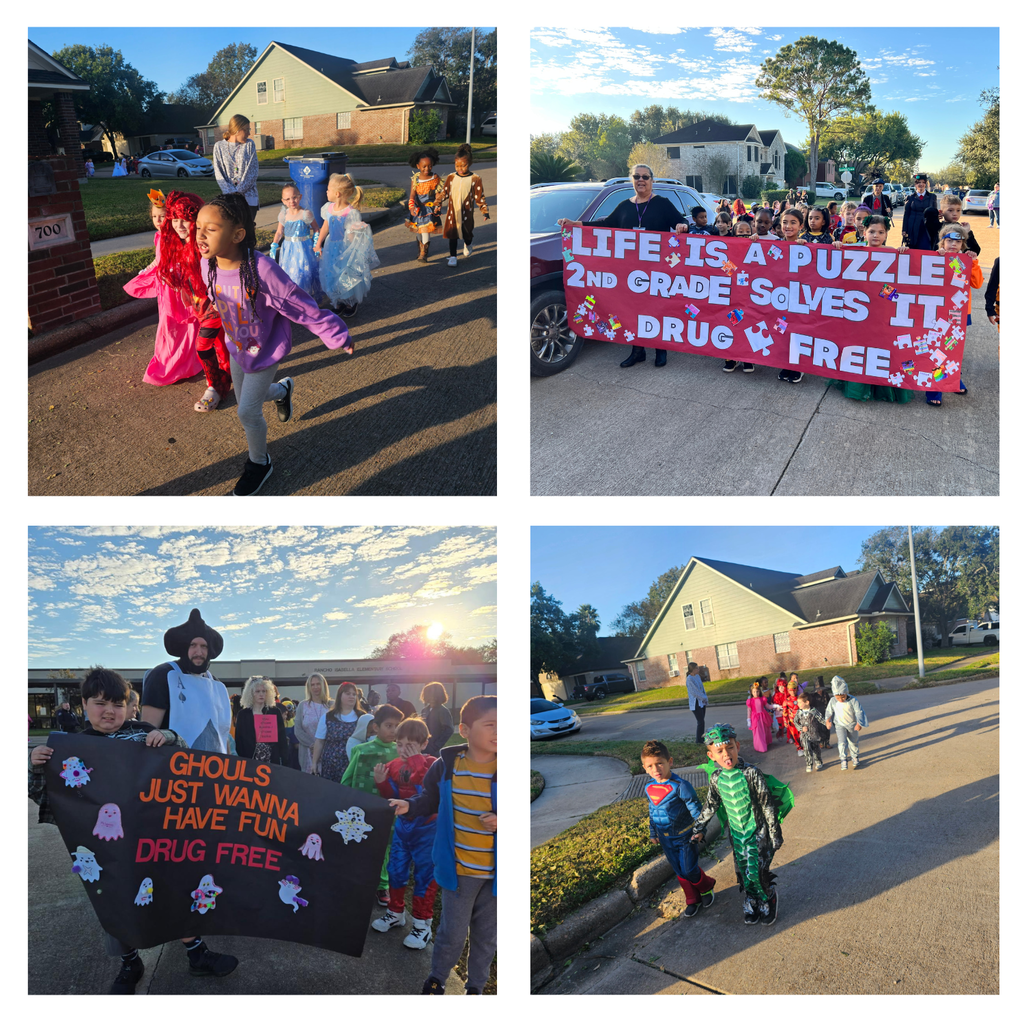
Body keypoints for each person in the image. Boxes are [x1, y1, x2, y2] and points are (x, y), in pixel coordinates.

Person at [30, 667, 237, 993]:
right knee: (115, 900)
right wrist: (40, 766)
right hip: (106, 847)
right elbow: (50, 800)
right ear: (84, 705)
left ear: (130, 707)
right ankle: (130, 962)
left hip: (153, 837)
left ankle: (197, 955)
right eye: (100, 703)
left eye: (117, 704)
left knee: (173, 889)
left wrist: (169, 737)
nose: (109, 711)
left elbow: (186, 764)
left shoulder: (142, 732)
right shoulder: (73, 747)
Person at [197, 193, 353, 496]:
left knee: (247, 413)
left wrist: (336, 334)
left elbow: (300, 306)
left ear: (237, 234)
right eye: (198, 227)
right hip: (237, 348)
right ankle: (283, 390)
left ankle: (260, 462)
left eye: (211, 229)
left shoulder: (262, 270)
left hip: (265, 350)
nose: (200, 235)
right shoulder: (209, 265)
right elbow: (216, 293)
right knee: (247, 402)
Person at [389, 695, 496, 996]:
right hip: (460, 870)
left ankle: (475, 987)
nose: (499, 731)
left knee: (487, 936)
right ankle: (436, 979)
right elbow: (428, 800)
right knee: (452, 932)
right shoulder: (447, 763)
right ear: (464, 729)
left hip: (498, 874)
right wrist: (407, 805)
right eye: (490, 725)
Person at [556, 163, 685, 368]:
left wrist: (682, 226)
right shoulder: (625, 206)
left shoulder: (663, 203)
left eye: (645, 176)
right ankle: (637, 351)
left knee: (657, 309)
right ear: (631, 180)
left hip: (656, 270)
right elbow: (605, 225)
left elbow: (682, 224)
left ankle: (661, 349)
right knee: (632, 310)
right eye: (636, 176)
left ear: (652, 180)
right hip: (630, 272)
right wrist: (576, 224)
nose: (640, 180)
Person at [690, 723, 787, 926]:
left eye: (730, 748)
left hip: (757, 833)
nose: (726, 754)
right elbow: (710, 805)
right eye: (720, 751)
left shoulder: (751, 773)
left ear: (738, 747)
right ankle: (752, 899)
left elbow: (767, 803)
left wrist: (774, 832)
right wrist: (698, 828)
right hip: (737, 835)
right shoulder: (716, 779)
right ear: (711, 756)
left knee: (757, 870)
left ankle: (768, 897)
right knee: (743, 871)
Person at [151, 190, 232, 412]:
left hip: (216, 304)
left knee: (203, 345)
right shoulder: (177, 245)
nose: (179, 225)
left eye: (184, 219)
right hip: (199, 306)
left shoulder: (205, 244)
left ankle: (214, 386)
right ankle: (227, 378)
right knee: (220, 344)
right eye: (174, 220)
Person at [123, 189, 207, 389]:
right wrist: (147, 270)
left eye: (162, 216)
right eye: (154, 217)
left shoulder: (182, 238)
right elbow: (159, 260)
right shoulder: (161, 238)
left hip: (182, 289)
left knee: (189, 324)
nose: (159, 221)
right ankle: (167, 363)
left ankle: (189, 362)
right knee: (168, 325)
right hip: (167, 290)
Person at [371, 716, 439, 947]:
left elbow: (430, 790)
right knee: (396, 870)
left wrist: (417, 760)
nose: (403, 750)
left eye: (410, 745)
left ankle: (422, 925)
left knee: (424, 877)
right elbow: (392, 796)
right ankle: (395, 913)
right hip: (403, 828)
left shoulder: (433, 764)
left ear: (423, 744)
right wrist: (381, 781)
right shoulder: (394, 765)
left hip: (427, 829)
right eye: (399, 744)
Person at [832, 215, 914, 403]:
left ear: (886, 234)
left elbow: (900, 283)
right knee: (859, 346)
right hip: (860, 310)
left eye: (881, 232)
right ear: (864, 232)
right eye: (872, 232)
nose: (876, 236)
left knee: (882, 346)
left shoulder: (893, 252)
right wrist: (837, 248)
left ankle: (882, 387)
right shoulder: (855, 251)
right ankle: (857, 387)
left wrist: (904, 251)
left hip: (883, 310)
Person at [641, 740, 716, 917]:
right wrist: (653, 832)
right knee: (679, 870)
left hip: (685, 836)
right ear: (644, 768)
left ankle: (706, 888)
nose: (656, 769)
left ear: (670, 762)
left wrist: (700, 829)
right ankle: (692, 899)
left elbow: (696, 809)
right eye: (650, 766)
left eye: (660, 763)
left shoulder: (681, 786)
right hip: (665, 838)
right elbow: (653, 811)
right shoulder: (649, 787)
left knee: (689, 869)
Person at [141, 608, 231, 753]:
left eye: (204, 646)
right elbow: (147, 730)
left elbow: (222, 735)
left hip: (212, 768)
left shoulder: (217, 685)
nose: (199, 652)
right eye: (193, 645)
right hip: (170, 766)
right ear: (184, 647)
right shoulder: (163, 675)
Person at [342, 704, 403, 906]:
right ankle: (357, 882)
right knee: (361, 844)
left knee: (386, 846)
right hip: (363, 808)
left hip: (391, 809)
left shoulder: (401, 753)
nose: (393, 731)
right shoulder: (361, 750)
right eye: (388, 725)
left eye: (397, 726)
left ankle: (382, 885)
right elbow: (347, 778)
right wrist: (346, 800)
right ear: (375, 727)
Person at [925, 223, 980, 406]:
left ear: (963, 244)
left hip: (960, 312)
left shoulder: (966, 261)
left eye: (958, 241)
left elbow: (977, 283)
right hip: (938, 312)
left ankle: (954, 380)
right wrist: (936, 259)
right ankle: (935, 387)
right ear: (942, 242)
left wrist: (974, 263)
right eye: (949, 240)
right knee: (936, 349)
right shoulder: (934, 258)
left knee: (954, 349)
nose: (953, 245)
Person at [315, 173, 379, 317]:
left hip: (345, 249)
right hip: (331, 247)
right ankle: (338, 301)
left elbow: (351, 236)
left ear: (337, 194)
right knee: (332, 273)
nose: (326, 192)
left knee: (344, 273)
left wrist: (354, 243)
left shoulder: (351, 213)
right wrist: (319, 243)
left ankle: (350, 301)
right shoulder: (329, 208)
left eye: (328, 189)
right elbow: (325, 226)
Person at [441, 143, 490, 267]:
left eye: (463, 165)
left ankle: (468, 244)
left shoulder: (475, 178)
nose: (460, 168)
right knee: (453, 234)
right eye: (457, 165)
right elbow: (444, 193)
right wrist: (437, 204)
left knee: (467, 233)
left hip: (467, 213)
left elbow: (479, 196)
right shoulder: (451, 177)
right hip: (453, 212)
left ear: (470, 163)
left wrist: (484, 210)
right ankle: (453, 256)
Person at [269, 184, 321, 300]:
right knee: (290, 274)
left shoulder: (306, 213)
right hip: (288, 250)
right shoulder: (283, 214)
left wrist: (316, 243)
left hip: (304, 249)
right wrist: (274, 245)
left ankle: (303, 298)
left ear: (300, 196)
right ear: (283, 201)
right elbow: (279, 232)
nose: (292, 201)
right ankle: (293, 299)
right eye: (287, 199)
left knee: (302, 273)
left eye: (294, 197)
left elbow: (316, 228)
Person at [310, 681, 369, 781]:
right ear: (339, 696)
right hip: (330, 766)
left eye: (354, 694)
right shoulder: (328, 717)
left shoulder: (362, 717)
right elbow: (319, 741)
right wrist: (314, 763)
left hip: (354, 765)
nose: (352, 697)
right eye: (348, 693)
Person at [233, 676, 288, 765]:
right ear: (251, 693)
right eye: (257, 691)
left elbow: (282, 739)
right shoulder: (243, 714)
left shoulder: (275, 712)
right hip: (250, 761)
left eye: (264, 691)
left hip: (272, 761)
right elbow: (239, 741)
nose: (261, 694)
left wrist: (285, 761)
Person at [212, 114, 259, 214]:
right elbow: (219, 172)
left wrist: (238, 192)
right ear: (237, 130)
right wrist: (231, 194)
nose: (249, 133)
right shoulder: (219, 147)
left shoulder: (249, 145)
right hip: (230, 200)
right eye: (246, 129)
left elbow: (252, 172)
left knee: (248, 229)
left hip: (249, 200)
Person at [405, 147, 444, 261]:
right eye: (424, 166)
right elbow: (412, 194)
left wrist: (438, 203)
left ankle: (424, 253)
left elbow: (438, 194)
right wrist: (411, 206)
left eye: (430, 166)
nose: (427, 168)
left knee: (425, 230)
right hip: (417, 209)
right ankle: (420, 249)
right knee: (418, 230)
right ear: (418, 166)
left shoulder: (435, 178)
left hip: (429, 209)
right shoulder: (415, 178)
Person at [824, 676, 868, 770]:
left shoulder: (853, 700)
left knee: (853, 742)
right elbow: (828, 711)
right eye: (838, 697)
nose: (840, 699)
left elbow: (859, 711)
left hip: (852, 725)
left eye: (843, 697)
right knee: (842, 742)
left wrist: (859, 723)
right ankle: (843, 759)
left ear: (846, 692)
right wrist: (827, 720)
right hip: (840, 725)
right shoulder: (833, 701)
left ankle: (855, 757)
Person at [293, 673, 331, 773]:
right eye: (312, 685)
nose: (315, 687)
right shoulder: (303, 705)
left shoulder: (331, 705)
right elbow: (298, 730)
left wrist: (321, 746)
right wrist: (313, 745)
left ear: (323, 685)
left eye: (318, 684)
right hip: (307, 752)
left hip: (327, 753)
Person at [902, 173, 939, 250]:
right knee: (913, 249)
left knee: (927, 248)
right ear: (915, 184)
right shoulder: (910, 198)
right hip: (913, 227)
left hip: (927, 228)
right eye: (919, 182)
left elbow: (934, 214)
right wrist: (904, 230)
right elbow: (906, 214)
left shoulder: (932, 197)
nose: (921, 184)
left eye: (923, 182)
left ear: (925, 184)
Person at [937, 193, 981, 257]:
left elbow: (975, 250)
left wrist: (967, 232)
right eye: (950, 210)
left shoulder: (961, 229)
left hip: (957, 264)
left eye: (958, 210)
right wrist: (935, 215)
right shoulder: (937, 226)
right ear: (941, 212)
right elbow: (929, 213)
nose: (955, 214)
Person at [794, 692, 828, 772]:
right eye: (797, 702)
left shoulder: (814, 711)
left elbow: (821, 719)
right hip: (804, 734)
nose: (798, 704)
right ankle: (809, 764)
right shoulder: (799, 712)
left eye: (800, 702)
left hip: (814, 734)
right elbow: (795, 722)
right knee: (806, 748)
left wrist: (827, 723)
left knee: (816, 749)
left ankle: (818, 761)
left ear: (807, 702)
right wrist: (801, 728)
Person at [420, 681, 454, 758]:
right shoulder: (424, 710)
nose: (432, 698)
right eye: (429, 695)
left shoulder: (443, 710)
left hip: (434, 749)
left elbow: (449, 730)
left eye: (435, 695)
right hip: (422, 747)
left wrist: (436, 745)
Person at [746, 680, 776, 753]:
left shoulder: (762, 699)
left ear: (759, 691)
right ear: (751, 693)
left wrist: (774, 706)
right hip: (755, 718)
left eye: (757, 691)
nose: (756, 693)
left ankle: (766, 742)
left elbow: (768, 706)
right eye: (754, 692)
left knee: (765, 730)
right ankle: (761, 746)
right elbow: (749, 710)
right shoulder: (750, 701)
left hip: (763, 716)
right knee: (758, 732)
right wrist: (748, 720)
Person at [683, 662, 709, 743]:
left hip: (702, 701)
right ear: (693, 670)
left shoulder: (697, 676)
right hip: (696, 703)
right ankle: (699, 740)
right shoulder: (689, 679)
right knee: (700, 722)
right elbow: (694, 692)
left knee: (702, 721)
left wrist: (705, 697)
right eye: (697, 668)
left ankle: (702, 737)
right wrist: (703, 697)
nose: (698, 669)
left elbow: (701, 688)